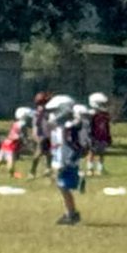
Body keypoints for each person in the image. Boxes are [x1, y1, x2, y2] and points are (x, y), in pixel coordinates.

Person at [47, 95, 86, 225]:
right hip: (65, 160)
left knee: (64, 187)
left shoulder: (67, 128)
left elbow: (65, 146)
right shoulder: (63, 127)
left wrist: (62, 163)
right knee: (62, 187)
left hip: (66, 161)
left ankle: (71, 213)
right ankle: (70, 212)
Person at [0, 106, 30, 178]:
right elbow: (23, 135)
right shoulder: (23, 124)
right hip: (12, 144)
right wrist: (26, 141)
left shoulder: (16, 123)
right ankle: (12, 174)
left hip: (6, 142)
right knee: (10, 161)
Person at [86, 93, 113, 175]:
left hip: (103, 136)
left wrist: (108, 136)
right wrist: (90, 136)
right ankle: (90, 169)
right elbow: (89, 126)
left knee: (102, 153)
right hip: (94, 136)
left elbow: (107, 126)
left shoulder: (105, 115)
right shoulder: (92, 115)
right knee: (92, 152)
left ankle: (100, 168)